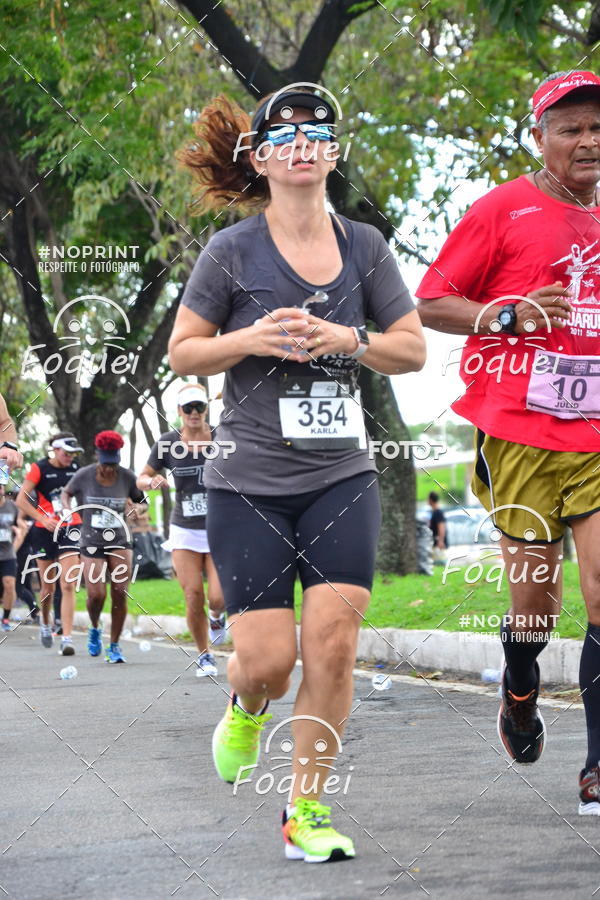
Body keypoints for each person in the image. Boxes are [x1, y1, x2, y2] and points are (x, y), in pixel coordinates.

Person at [169, 89, 425, 860]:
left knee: (336, 647)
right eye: (284, 134)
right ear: (261, 157)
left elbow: (411, 349)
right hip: (248, 481)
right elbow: (184, 351)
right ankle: (247, 709)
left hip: (341, 475)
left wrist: (346, 336)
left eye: (318, 133)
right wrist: (252, 338)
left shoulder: (367, 248)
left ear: (333, 153)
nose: (303, 143)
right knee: (271, 663)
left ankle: (303, 812)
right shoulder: (231, 252)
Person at [417, 70, 600, 814]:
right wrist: (506, 313)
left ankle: (596, 767)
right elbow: (432, 301)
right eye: (571, 129)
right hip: (521, 435)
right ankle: (520, 688)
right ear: (540, 138)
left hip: (596, 435)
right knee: (537, 606)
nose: (588, 141)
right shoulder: (504, 209)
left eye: (597, 128)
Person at [137, 383, 226, 677]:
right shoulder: (167, 442)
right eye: (187, 408)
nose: (194, 413)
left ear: (205, 409)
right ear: (179, 412)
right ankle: (205, 656)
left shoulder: (222, 436)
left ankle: (216, 617)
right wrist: (150, 482)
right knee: (192, 595)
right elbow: (142, 477)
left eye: (199, 407)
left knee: (217, 598)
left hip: (218, 527)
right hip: (185, 530)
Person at [62, 430, 146, 664]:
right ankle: (95, 628)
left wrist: (137, 510)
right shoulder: (84, 476)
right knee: (96, 594)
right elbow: (65, 494)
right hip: (91, 542)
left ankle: (115, 646)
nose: (110, 469)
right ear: (98, 456)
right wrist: (67, 509)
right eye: (106, 463)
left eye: (114, 463)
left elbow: (142, 503)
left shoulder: (127, 477)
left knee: (120, 592)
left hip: (119, 540)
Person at [16, 433, 83, 655]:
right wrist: (42, 518)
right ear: (55, 450)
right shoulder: (39, 468)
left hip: (71, 527)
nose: (70, 457)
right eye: (66, 453)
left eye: (73, 454)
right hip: (44, 531)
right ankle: (45, 623)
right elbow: (21, 500)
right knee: (48, 587)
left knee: (68, 584)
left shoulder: (76, 468)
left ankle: (67, 637)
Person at [0, 485, 26, 630]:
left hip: (8, 554)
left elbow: (22, 527)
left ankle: (5, 618)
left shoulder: (12, 507)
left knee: (9, 584)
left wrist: (16, 542)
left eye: (0, 487)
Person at [427, 490, 447, 563]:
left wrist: (441, 541)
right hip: (434, 542)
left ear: (431, 500)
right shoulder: (435, 512)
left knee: (439, 562)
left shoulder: (438, 512)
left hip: (437, 543)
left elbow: (441, 527)